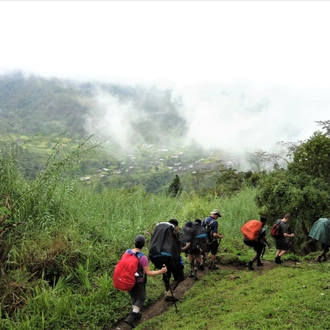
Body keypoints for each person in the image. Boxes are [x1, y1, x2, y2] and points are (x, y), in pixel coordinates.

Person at [124, 235, 167, 328]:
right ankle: (131, 317)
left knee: (134, 297)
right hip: (138, 281)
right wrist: (161, 271)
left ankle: (137, 314)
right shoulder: (142, 257)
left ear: (134, 243)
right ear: (143, 245)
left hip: (127, 279)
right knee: (142, 298)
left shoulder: (127, 252)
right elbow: (148, 272)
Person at [162, 219, 190, 301]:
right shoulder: (176, 235)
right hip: (174, 259)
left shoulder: (163, 235)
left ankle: (167, 291)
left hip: (163, 259)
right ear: (176, 226)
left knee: (166, 276)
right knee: (179, 277)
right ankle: (170, 293)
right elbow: (180, 249)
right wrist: (188, 246)